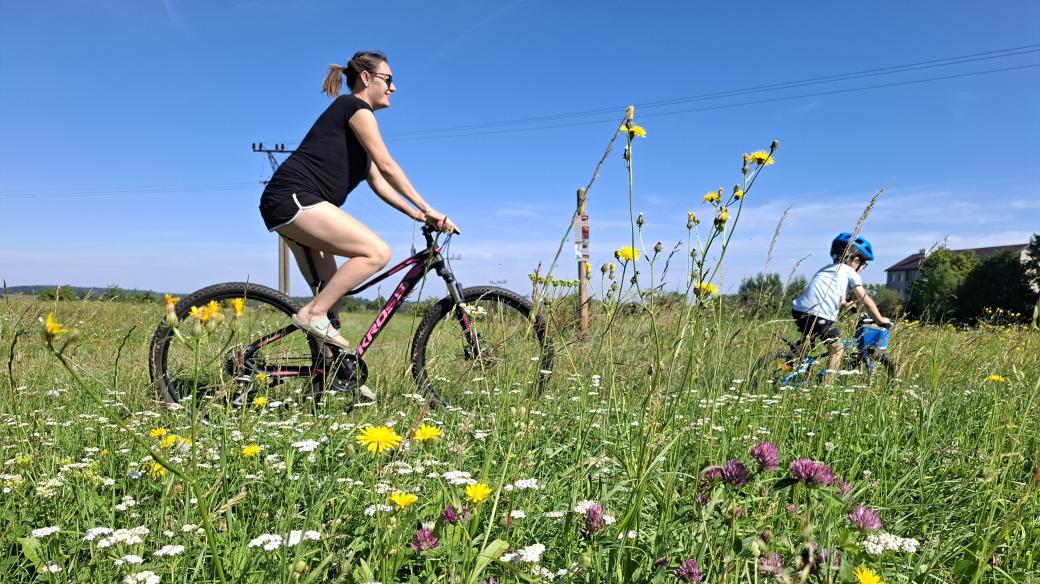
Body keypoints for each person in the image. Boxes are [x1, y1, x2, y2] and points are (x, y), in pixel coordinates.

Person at [259, 51, 459, 349]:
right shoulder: (354, 106)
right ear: (367, 78)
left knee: (332, 306)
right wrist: (429, 207)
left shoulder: (356, 125)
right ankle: (312, 312)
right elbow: (388, 165)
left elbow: (379, 182)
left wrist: (417, 215)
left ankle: (331, 380)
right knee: (375, 253)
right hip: (295, 199)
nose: (393, 88)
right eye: (388, 79)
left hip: (294, 204)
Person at [790, 232, 891, 381]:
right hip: (820, 314)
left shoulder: (827, 269)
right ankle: (826, 389)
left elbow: (831, 294)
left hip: (799, 310)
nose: (862, 268)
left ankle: (788, 366)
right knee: (838, 349)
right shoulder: (850, 271)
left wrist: (846, 305)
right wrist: (880, 319)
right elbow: (865, 299)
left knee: (806, 344)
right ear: (855, 259)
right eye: (863, 264)